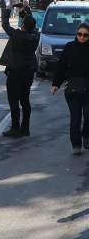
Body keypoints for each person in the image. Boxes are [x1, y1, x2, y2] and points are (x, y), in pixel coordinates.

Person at [0, 4, 40, 138]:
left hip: (16, 71)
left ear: (22, 26)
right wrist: (24, 12)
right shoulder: (35, 35)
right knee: (25, 100)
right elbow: (30, 23)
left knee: (13, 100)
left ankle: (15, 127)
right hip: (28, 71)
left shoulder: (18, 36)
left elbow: (5, 24)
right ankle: (25, 127)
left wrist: (7, 10)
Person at [51, 22, 89, 155]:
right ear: (76, 34)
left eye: (85, 35)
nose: (82, 37)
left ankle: (86, 134)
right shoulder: (70, 47)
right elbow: (61, 66)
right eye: (79, 34)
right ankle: (76, 145)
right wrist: (56, 84)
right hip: (73, 88)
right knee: (75, 116)